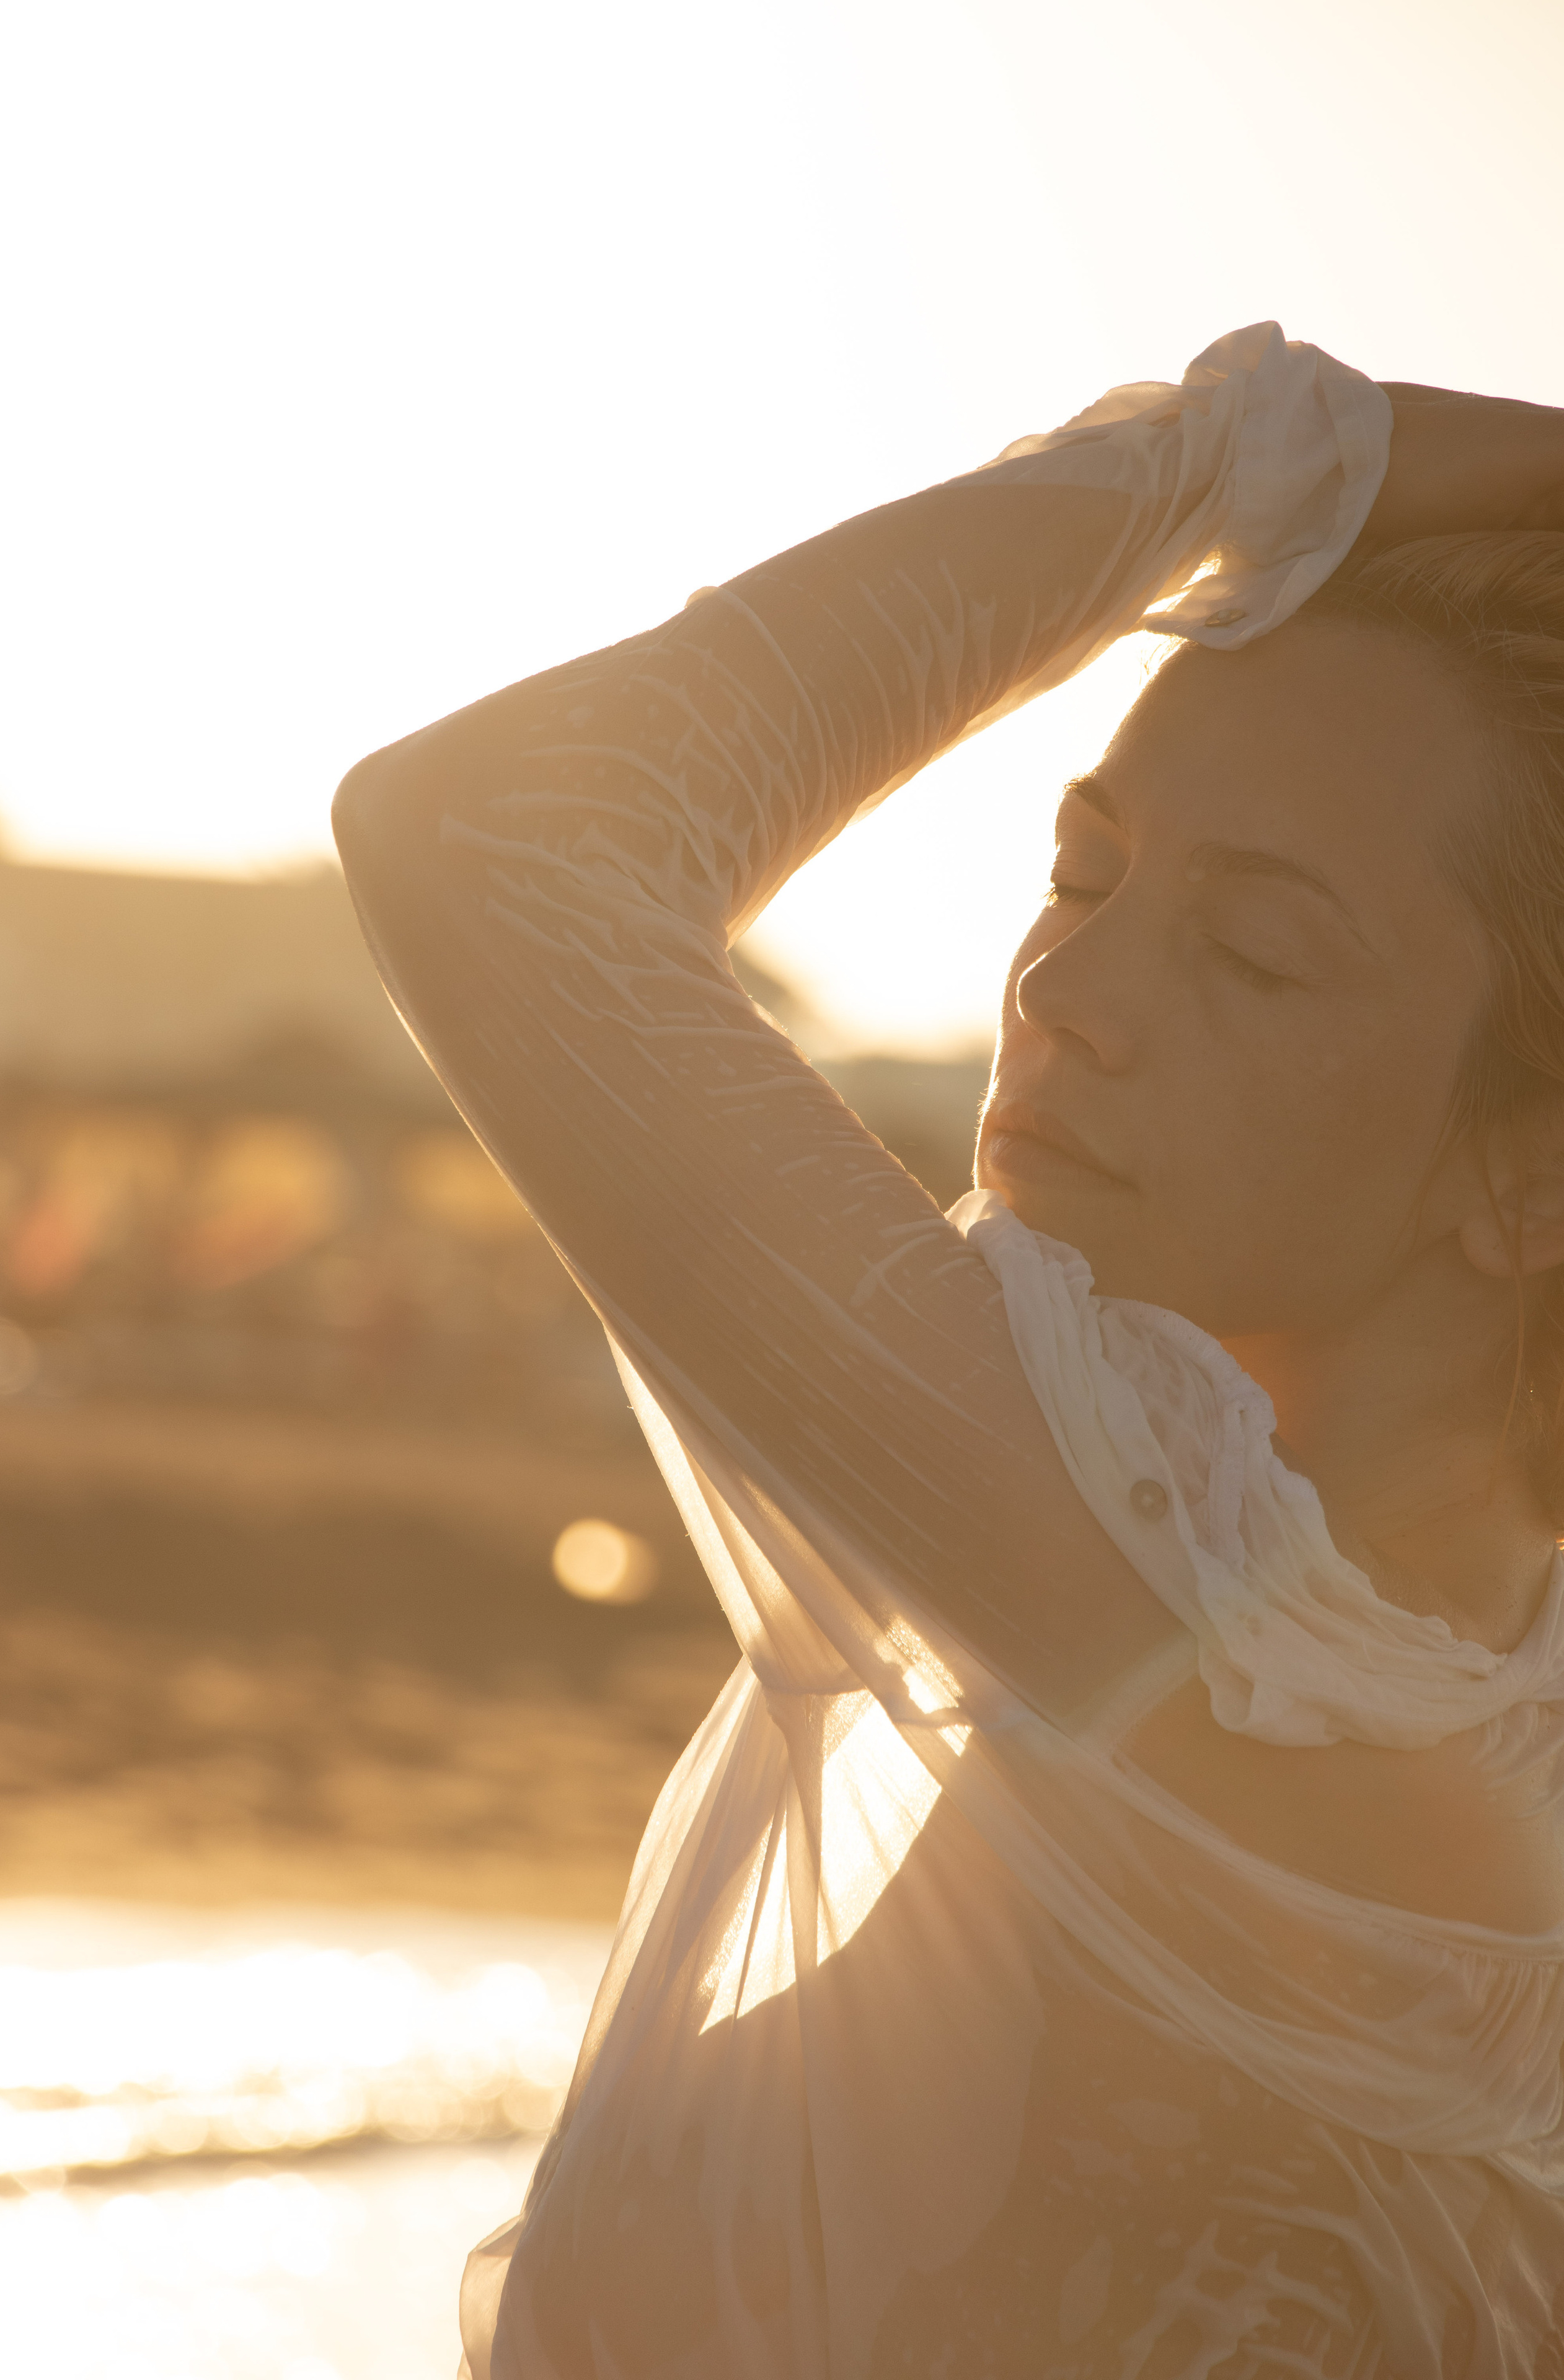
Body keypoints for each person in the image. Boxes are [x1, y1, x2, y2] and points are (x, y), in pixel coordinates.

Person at [332, 325, 1564, 2377]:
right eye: (1077, 873)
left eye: (1256, 951)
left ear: (1533, 1179)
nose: (1067, 989)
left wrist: (1236, 460)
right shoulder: (1441, 1707)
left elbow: (503, 843)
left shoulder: (1199, 1665)